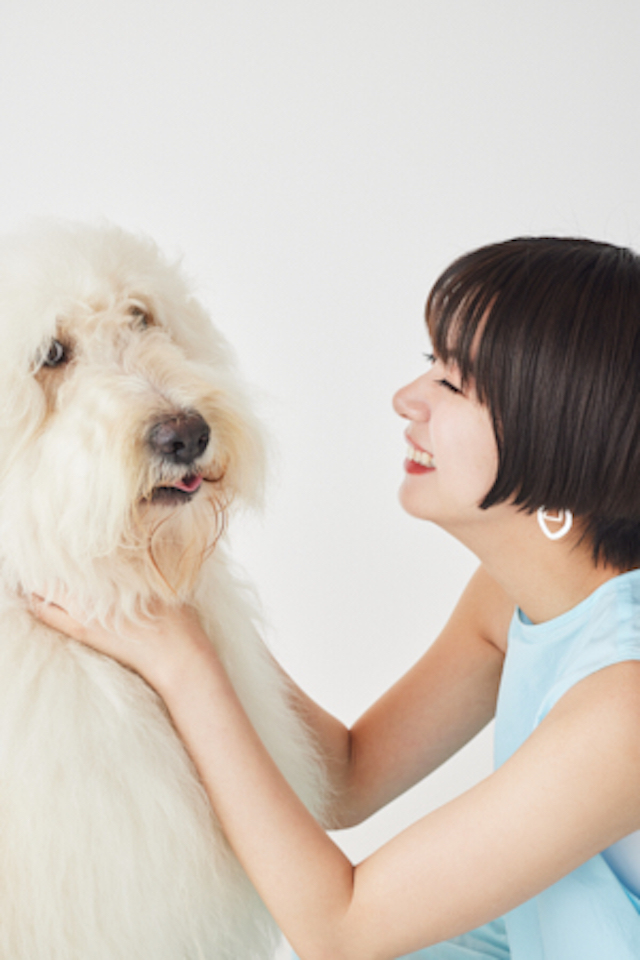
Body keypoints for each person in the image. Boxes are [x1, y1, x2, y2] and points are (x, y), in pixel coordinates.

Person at [32, 237, 640, 960]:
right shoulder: (512, 597)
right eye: (429, 365)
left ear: (562, 431)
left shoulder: (623, 706)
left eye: (455, 384)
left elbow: (341, 931)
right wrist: (183, 592)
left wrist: (185, 662)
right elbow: (347, 777)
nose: (406, 400)